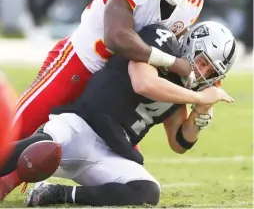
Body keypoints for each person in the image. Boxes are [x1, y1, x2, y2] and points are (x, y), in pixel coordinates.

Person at [0, 0, 211, 199]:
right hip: (77, 64)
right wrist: (173, 63)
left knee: (118, 162)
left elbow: (167, 49)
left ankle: (47, 191)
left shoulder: (192, 4)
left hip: (111, 85)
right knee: (15, 129)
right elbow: (117, 38)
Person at [0, 21, 237, 206]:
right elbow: (144, 83)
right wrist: (199, 98)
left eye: (211, 71)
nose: (202, 71)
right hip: (81, 124)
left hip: (110, 152)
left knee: (147, 190)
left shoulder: (187, 90)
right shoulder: (161, 40)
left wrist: (200, 114)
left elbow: (179, 142)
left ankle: (56, 194)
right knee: (42, 145)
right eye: (203, 61)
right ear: (191, 44)